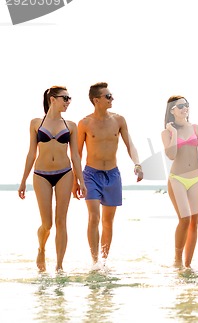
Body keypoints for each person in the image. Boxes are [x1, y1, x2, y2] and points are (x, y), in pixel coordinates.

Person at [72, 82, 143, 266]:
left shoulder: (119, 120)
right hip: (91, 175)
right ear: (96, 100)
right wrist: (76, 180)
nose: (112, 99)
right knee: (94, 216)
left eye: (111, 96)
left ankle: (103, 261)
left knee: (108, 222)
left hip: (112, 174)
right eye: (108, 96)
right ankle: (94, 261)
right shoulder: (85, 123)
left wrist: (137, 163)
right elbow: (77, 154)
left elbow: (130, 145)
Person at [18, 86, 87, 272]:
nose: (68, 102)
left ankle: (59, 266)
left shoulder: (71, 126)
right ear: (52, 99)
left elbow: (76, 156)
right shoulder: (36, 123)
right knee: (47, 224)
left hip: (65, 172)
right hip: (41, 175)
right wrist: (23, 180)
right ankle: (41, 248)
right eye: (65, 98)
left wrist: (80, 180)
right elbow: (31, 153)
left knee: (61, 221)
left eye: (69, 98)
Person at [161, 96, 198, 268]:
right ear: (172, 110)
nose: (185, 108)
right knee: (184, 219)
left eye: (186, 105)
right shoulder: (166, 133)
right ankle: (177, 260)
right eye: (181, 106)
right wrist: (174, 133)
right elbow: (171, 155)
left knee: (194, 222)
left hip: (196, 179)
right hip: (177, 178)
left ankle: (188, 265)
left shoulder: (197, 128)